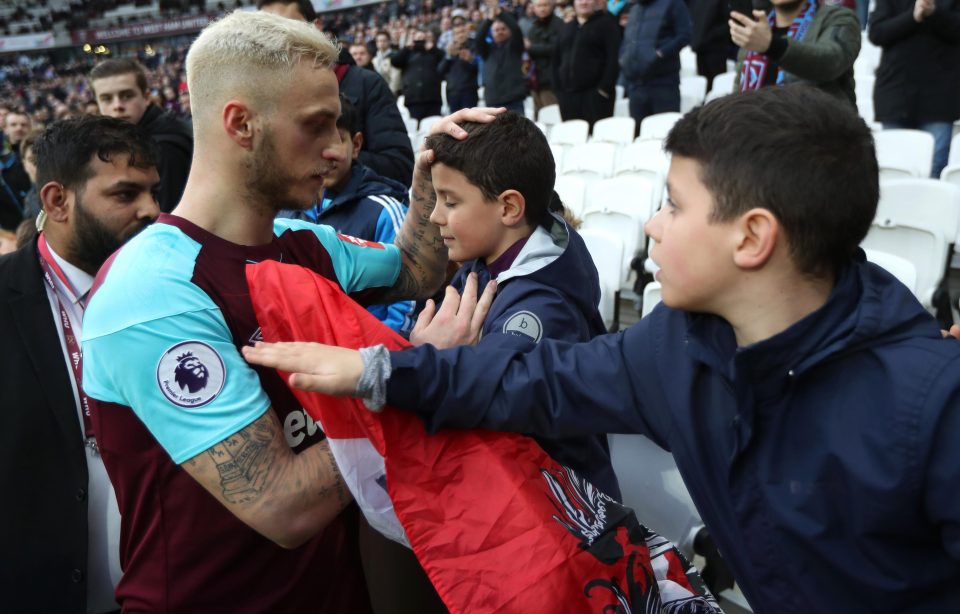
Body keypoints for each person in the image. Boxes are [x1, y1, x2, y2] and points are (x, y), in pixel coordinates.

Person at [245, 85, 960, 612]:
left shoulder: (934, 409)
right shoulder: (678, 347)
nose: (651, 225)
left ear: (751, 238)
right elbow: (533, 381)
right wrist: (376, 369)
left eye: (675, 207)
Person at [80, 11, 485, 611]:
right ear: (241, 124)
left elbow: (417, 271)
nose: (335, 148)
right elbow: (282, 505)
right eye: (316, 125)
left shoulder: (304, 242)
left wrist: (425, 179)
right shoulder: (152, 292)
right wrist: (416, 374)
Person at [0, 115, 160, 613]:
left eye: (155, 192)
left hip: (163, 584)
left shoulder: (171, 290)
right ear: (57, 201)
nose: (152, 211)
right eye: (125, 194)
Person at [416, 110, 621, 497]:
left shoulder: (543, 308)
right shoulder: (487, 259)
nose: (435, 215)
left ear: (509, 208)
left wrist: (433, 364)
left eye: (450, 201)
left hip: (557, 510)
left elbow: (494, 405)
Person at [280, 95, 417, 336]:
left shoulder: (383, 210)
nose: (325, 153)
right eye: (314, 140)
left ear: (356, 145)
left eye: (336, 140)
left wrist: (378, 351)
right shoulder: (286, 209)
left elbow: (409, 297)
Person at [259, 0, 416, 188]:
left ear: (315, 27)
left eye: (289, 26)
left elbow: (399, 167)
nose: (278, 39)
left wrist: (336, 159)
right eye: (266, 31)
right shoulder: (258, 95)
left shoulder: (367, 84)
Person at [869, 0, 960, 178]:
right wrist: (911, 17)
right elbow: (877, 33)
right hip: (896, 93)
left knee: (934, 171)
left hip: (940, 97)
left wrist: (934, 13)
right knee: (894, 170)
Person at [89, 59, 194, 213]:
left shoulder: (165, 145)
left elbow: (169, 216)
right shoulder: (135, 136)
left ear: (145, 97)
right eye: (107, 99)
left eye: (126, 96)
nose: (117, 105)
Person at [730, 0, 860, 104]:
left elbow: (831, 61)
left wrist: (772, 46)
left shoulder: (839, 18)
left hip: (819, 132)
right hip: (755, 130)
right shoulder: (756, 30)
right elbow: (738, 94)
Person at [620, 0, 692, 124]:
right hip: (636, 87)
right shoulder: (634, 9)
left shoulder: (673, 3)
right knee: (640, 138)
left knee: (665, 134)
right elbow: (627, 41)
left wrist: (660, 53)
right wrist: (623, 58)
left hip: (664, 85)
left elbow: (685, 35)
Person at [553, 0, 622, 126]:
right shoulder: (565, 27)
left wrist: (603, 90)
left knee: (598, 141)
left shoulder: (607, 24)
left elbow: (614, 59)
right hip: (568, 98)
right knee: (572, 140)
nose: (583, 2)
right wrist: (558, 91)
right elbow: (556, 60)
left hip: (596, 97)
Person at [476, 1, 528, 114]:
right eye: (496, 30)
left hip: (514, 100)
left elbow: (516, 29)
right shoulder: (486, 50)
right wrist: (489, 20)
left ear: (508, 31)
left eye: (503, 29)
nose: (500, 32)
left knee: (518, 132)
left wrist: (501, 14)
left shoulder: (515, 46)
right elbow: (478, 37)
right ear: (492, 32)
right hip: (493, 102)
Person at [392, 29, 445, 120]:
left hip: (432, 98)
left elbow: (444, 59)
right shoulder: (407, 53)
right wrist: (406, 47)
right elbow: (395, 62)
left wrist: (433, 48)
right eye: (417, 39)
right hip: (413, 99)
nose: (419, 42)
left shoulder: (433, 52)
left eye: (422, 38)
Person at [526, 0, 565, 117]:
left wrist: (531, 47)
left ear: (551, 6)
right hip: (535, 80)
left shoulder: (559, 24)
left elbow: (557, 49)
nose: (542, 9)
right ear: (533, 8)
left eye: (545, 5)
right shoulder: (533, 27)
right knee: (538, 119)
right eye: (539, 5)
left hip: (552, 80)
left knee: (552, 116)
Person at [0, 111, 33, 230]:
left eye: (24, 125)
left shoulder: (46, 156)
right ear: (6, 129)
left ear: (30, 128)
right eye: (13, 125)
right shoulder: (3, 166)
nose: (19, 128)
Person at [439, 23, 480, 112]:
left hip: (470, 90)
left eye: (463, 32)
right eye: (457, 33)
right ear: (453, 36)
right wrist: (448, 56)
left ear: (467, 33)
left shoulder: (474, 45)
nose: (460, 35)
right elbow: (440, 71)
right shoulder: (449, 49)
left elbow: (478, 69)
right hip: (453, 92)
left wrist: (469, 60)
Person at [373, 30, 404, 97]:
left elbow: (396, 78)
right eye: (379, 41)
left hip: (391, 93)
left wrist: (390, 93)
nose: (382, 43)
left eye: (384, 40)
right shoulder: (374, 59)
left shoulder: (395, 56)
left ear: (389, 41)